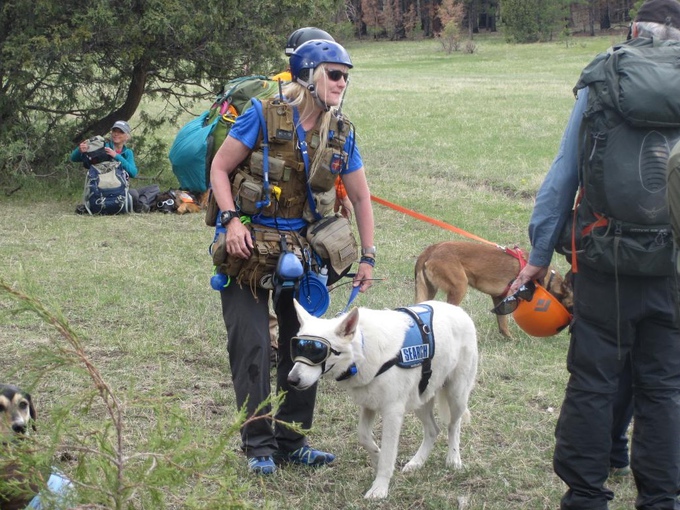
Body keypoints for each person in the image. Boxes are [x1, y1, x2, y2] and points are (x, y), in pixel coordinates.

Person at [510, 1, 680, 507]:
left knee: (593, 382)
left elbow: (566, 171)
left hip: (603, 263)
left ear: (633, 30)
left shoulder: (605, 74)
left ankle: (585, 497)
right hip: (672, 267)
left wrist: (539, 253)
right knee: (665, 389)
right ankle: (662, 500)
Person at [210, 39, 375, 475]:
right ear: (308, 73)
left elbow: (360, 198)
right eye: (335, 73)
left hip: (302, 254)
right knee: (252, 344)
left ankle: (292, 440)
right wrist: (230, 222)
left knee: (305, 343)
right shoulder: (263, 115)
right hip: (246, 250)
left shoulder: (341, 132)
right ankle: (258, 445)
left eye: (346, 75)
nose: (343, 82)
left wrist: (368, 257)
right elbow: (220, 169)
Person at [71, 120, 159, 213]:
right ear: (111, 133)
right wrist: (80, 149)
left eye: (121, 132)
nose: (116, 134)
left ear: (127, 136)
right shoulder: (102, 147)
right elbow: (74, 158)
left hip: (121, 190)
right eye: (114, 131)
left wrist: (116, 156)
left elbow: (133, 173)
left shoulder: (128, 152)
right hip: (102, 191)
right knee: (133, 194)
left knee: (154, 188)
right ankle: (138, 205)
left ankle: (140, 204)